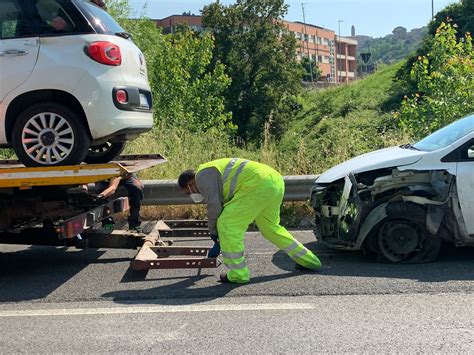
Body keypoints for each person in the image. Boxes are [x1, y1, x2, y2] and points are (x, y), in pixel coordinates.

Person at [178, 158, 322, 284]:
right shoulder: (213, 170)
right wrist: (220, 240)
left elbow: (214, 206)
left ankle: (238, 274)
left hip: (256, 185)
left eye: (189, 191)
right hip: (274, 181)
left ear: (190, 182)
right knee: (271, 228)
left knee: (227, 224)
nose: (192, 194)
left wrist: (214, 232)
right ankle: (309, 261)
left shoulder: (202, 175)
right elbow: (222, 205)